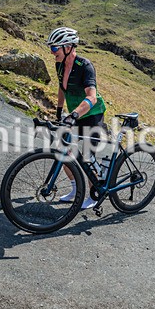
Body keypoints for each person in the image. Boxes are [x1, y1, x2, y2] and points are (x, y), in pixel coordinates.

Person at [48, 27, 107, 210]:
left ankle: (94, 194)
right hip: (75, 115)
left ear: (68, 47)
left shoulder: (85, 66)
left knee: (88, 156)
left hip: (92, 114)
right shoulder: (59, 65)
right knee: (63, 150)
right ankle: (76, 189)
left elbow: (92, 97)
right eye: (51, 48)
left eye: (54, 48)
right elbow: (62, 88)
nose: (52, 52)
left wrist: (74, 114)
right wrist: (59, 111)